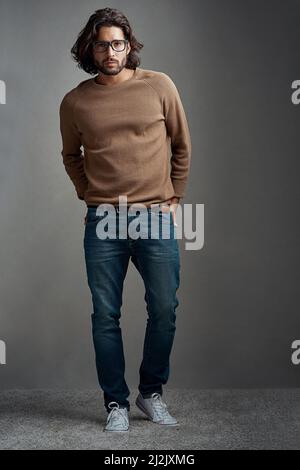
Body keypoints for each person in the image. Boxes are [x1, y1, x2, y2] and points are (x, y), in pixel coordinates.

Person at [59, 7, 192, 432]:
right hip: (104, 221)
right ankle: (115, 403)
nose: (111, 51)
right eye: (102, 45)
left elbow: (181, 144)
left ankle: (150, 392)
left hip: (155, 215)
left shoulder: (159, 85)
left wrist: (175, 196)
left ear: (129, 46)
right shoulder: (76, 101)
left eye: (118, 43)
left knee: (165, 309)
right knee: (105, 314)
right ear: (90, 49)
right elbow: (70, 156)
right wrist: (88, 194)